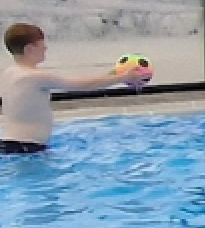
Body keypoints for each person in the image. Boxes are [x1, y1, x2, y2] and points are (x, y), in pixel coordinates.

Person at [0, 23, 152, 153]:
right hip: (27, 148)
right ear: (29, 49)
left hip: (11, 144)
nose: (45, 47)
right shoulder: (35, 76)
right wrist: (124, 77)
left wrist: (113, 75)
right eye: (41, 44)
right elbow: (82, 85)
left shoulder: (10, 73)